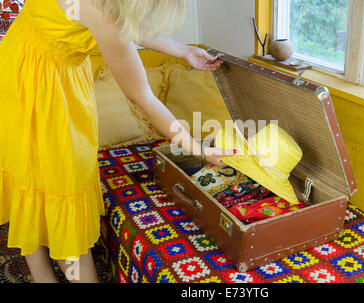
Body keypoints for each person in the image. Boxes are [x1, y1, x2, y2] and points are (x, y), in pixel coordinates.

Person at [0, 0, 233, 283]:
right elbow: (143, 97)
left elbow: (126, 23)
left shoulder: (108, 11)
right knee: (52, 191)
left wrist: (183, 50)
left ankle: (44, 272)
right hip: (36, 88)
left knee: (31, 177)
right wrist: (199, 150)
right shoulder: (102, 15)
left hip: (25, 66)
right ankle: (47, 274)